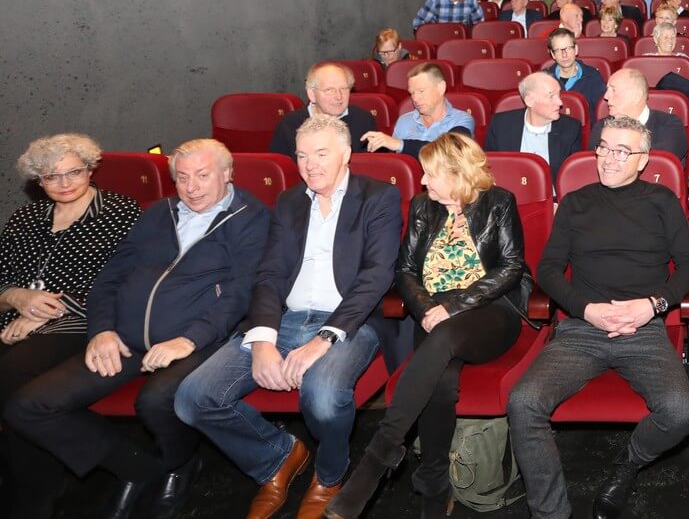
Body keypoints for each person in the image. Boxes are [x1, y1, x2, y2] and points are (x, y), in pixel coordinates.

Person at [6, 139, 270, 519]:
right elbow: (108, 279)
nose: (192, 187)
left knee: (156, 400)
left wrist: (187, 339)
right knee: (28, 406)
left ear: (227, 174)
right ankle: (143, 469)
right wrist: (101, 330)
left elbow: (241, 292)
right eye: (182, 177)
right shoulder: (156, 213)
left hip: (200, 338)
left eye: (202, 175)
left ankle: (178, 463)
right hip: (126, 338)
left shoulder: (253, 218)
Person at [175, 116, 400, 519]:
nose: (310, 164)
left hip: (350, 322)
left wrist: (324, 338)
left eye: (321, 153)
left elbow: (376, 276)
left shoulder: (378, 197)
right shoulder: (289, 201)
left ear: (347, 155)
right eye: (301, 155)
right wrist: (262, 339)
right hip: (285, 318)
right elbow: (270, 275)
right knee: (193, 398)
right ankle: (278, 458)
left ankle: (330, 474)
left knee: (324, 396)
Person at [507, 116, 689, 519]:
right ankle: (550, 513)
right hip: (582, 328)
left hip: (642, 328)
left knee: (681, 412)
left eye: (621, 151)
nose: (608, 158)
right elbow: (547, 270)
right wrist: (587, 310)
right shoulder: (577, 202)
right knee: (523, 402)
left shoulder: (661, 201)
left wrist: (653, 304)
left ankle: (627, 464)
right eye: (603, 147)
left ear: (643, 160)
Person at [326, 133, 530, 519]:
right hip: (432, 314)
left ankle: (377, 457)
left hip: (489, 311)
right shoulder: (423, 207)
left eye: (431, 174)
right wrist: (425, 308)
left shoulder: (499, 202)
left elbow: (511, 267)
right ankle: (434, 489)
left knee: (445, 335)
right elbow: (404, 270)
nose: (422, 182)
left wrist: (452, 305)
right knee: (441, 383)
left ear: (456, 173)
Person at [0, 134, 141, 517]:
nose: (63, 183)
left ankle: (31, 495)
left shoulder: (120, 212)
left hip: (83, 324)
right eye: (50, 177)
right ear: (37, 181)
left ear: (91, 169)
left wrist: (42, 316)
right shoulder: (26, 217)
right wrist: (17, 299)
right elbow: (3, 279)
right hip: (14, 321)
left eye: (73, 172)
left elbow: (119, 282)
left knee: (12, 373)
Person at [362, 63, 474, 158]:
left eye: (421, 91)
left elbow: (450, 152)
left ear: (441, 88)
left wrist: (400, 144)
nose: (415, 98)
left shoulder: (461, 119)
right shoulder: (404, 121)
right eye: (412, 93)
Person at [485, 71, 582, 178]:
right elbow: (489, 168)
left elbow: (572, 177)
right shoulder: (501, 125)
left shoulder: (571, 128)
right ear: (529, 101)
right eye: (551, 96)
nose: (560, 102)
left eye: (558, 95)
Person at [269, 62, 376, 159]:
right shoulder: (289, 124)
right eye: (329, 90)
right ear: (312, 94)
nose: (338, 96)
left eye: (343, 89)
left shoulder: (364, 121)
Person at [589, 68, 689, 165]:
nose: (606, 96)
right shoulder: (602, 127)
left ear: (637, 96)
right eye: (607, 90)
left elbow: (660, 164)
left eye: (613, 90)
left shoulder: (670, 125)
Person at [543, 28, 606, 117]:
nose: (564, 55)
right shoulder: (543, 79)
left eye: (568, 48)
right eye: (558, 50)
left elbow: (602, 113)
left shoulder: (593, 77)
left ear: (576, 49)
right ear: (553, 54)